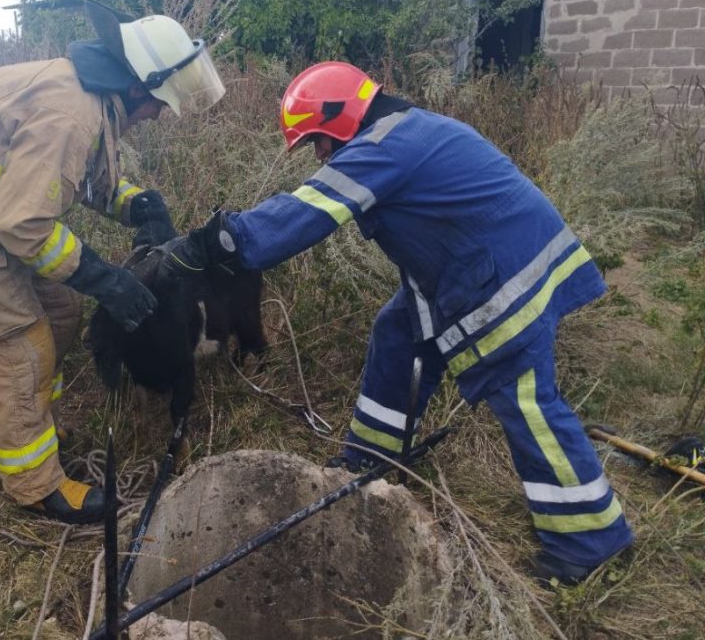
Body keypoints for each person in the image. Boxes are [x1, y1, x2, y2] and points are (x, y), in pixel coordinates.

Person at [159, 61, 634, 584]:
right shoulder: (404, 131)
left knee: (524, 396)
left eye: (318, 140)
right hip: (471, 263)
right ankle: (371, 459)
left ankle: (592, 540)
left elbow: (309, 210)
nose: (318, 154)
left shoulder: (386, 143)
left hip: (503, 275)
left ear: (340, 118)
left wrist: (220, 241)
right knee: (398, 333)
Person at [0, 1, 225, 524]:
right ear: (137, 87)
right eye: (159, 103)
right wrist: (107, 280)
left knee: (61, 311)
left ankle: (38, 425)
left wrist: (138, 204)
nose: (158, 114)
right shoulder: (72, 110)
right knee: (20, 349)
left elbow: (83, 179)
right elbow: (24, 225)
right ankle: (38, 487)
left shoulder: (90, 98)